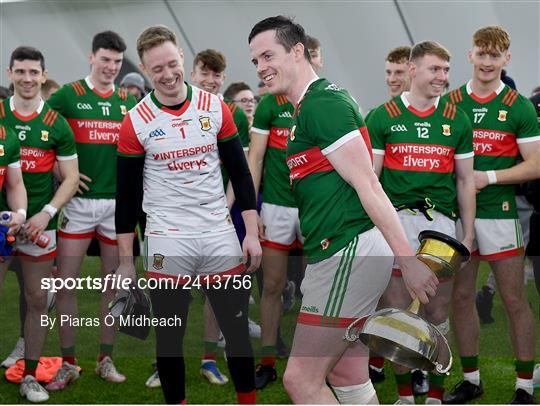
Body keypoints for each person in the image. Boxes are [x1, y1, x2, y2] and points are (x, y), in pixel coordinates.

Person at [249, 15, 438, 404]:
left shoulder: (323, 104)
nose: (261, 67)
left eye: (268, 55)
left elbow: (368, 183)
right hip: (340, 251)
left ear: (298, 51)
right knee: (346, 372)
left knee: (300, 380)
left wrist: (410, 259)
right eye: (254, 61)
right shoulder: (311, 105)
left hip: (345, 253)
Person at [115, 25, 261, 404]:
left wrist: (252, 233)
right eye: (156, 69)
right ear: (146, 70)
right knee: (169, 335)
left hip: (217, 232)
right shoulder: (136, 120)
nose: (166, 74)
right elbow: (127, 196)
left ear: (182, 56)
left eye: (171, 64)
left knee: (237, 329)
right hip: (167, 236)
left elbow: (241, 173)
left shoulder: (215, 108)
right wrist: (125, 261)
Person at [367, 41, 475, 404]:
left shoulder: (457, 119)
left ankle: (435, 395)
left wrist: (469, 232)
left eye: (446, 70)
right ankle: (404, 395)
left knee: (436, 310)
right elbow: (372, 180)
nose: (443, 77)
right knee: (396, 310)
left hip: (440, 226)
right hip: (395, 222)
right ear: (412, 69)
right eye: (435, 69)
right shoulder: (383, 116)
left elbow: (464, 181)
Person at [444, 26, 539, 404]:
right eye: (481, 54)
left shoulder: (519, 105)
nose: (487, 62)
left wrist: (489, 176)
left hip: (500, 214)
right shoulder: (449, 102)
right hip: (456, 216)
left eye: (494, 56)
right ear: (470, 56)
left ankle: (524, 386)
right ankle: (471, 379)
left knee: (515, 300)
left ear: (506, 59)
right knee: (462, 298)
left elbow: (535, 164)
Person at [46, 30, 137, 390]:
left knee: (111, 285)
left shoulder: (126, 100)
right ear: (91, 57)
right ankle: (68, 363)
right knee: (66, 283)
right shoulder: (68, 94)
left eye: (117, 61)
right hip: (79, 205)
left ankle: (105, 357)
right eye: (105, 60)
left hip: (115, 206)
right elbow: (42, 128)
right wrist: (61, 171)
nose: (111, 67)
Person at [1, 45, 79, 402]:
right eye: (21, 71)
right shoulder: (0, 115)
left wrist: (45, 212)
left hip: (38, 227)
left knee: (36, 300)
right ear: (10, 74)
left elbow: (71, 178)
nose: (28, 78)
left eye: (34, 72)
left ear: (43, 76)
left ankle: (29, 376)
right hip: (2, 227)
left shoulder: (56, 124)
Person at [366, 45, 412, 386]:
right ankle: (379, 360)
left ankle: (414, 365)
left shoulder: (442, 113)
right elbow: (370, 175)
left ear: (413, 72)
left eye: (398, 72)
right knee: (386, 294)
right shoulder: (378, 114)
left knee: (420, 301)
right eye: (388, 73)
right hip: (385, 218)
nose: (392, 79)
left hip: (426, 219)